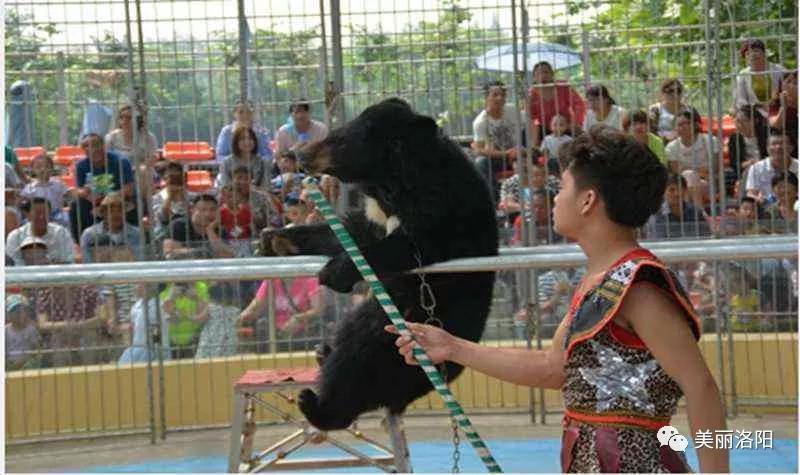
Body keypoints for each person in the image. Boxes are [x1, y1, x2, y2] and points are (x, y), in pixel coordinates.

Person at [387, 126, 728, 473]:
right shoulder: (599, 280)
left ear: (587, 200)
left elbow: (700, 386)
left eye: (562, 186)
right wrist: (453, 347)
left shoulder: (639, 288)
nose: (555, 196)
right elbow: (554, 368)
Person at [22, 236, 108, 367]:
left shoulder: (88, 290)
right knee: (57, 341)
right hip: (60, 337)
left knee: (88, 338)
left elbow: (103, 316)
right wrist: (66, 325)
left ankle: (90, 374)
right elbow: (42, 324)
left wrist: (80, 325)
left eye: (64, 266)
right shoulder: (45, 295)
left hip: (85, 334)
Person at [70, 133, 137, 241]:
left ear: (103, 145)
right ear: (84, 150)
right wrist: (85, 194)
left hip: (118, 198)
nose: (93, 149)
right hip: (94, 200)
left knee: (135, 201)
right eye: (87, 146)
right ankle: (80, 241)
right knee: (76, 205)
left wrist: (111, 197)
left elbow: (129, 188)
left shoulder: (121, 161)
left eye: (96, 145)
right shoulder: (81, 166)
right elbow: (79, 189)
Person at [238, 276, 325, 352]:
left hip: (303, 334)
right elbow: (256, 307)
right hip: (277, 334)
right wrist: (243, 317)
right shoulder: (271, 280)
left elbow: (318, 309)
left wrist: (299, 318)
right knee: (261, 326)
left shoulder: (309, 278)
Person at [471, 81, 524, 197]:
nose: (500, 98)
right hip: (500, 157)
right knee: (481, 162)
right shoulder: (480, 122)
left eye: (502, 95)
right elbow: (478, 149)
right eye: (495, 95)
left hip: (520, 153)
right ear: (486, 97)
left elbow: (532, 124)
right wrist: (505, 153)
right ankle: (495, 199)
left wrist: (532, 145)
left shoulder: (513, 110)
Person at [664, 110, 721, 209]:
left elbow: (714, 168)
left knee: (689, 175)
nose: (684, 127)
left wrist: (689, 170)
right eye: (680, 124)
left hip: (708, 183)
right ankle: (699, 211)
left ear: (695, 125)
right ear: (675, 128)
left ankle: (690, 212)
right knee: (689, 176)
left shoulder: (710, 141)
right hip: (682, 185)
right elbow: (677, 172)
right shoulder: (671, 147)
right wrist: (700, 170)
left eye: (687, 123)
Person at [527, 61, 586, 147]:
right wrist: (535, 141)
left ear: (552, 74)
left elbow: (578, 104)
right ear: (534, 78)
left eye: (546, 72)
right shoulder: (531, 94)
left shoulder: (562, 86)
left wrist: (575, 123)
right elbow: (531, 118)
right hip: (544, 129)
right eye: (538, 73)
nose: (543, 76)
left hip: (566, 126)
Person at [162, 193, 234, 260]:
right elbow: (169, 253)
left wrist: (210, 231)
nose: (207, 214)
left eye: (212, 210)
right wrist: (202, 252)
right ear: (192, 210)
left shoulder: (219, 229)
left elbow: (228, 256)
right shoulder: (178, 225)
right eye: (203, 210)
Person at [7, 197, 75, 266]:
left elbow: (69, 260)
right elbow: (13, 264)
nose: (41, 217)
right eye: (37, 213)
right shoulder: (15, 236)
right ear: (27, 215)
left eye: (45, 213)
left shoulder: (61, 233)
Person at [117, 283, 171, 364]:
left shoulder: (161, 306)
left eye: (139, 284)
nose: (135, 287)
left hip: (156, 351)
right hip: (137, 349)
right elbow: (133, 328)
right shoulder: (136, 306)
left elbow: (160, 330)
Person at [79, 192, 141, 263]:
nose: (116, 214)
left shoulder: (136, 233)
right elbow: (88, 263)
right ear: (103, 213)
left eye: (120, 210)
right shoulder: (89, 235)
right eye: (110, 211)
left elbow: (139, 261)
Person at [647, 174, 709, 239]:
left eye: (680, 189)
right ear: (663, 192)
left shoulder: (695, 211)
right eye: (671, 190)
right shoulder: (656, 214)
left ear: (685, 190)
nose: (677, 193)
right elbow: (659, 240)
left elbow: (705, 235)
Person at [745, 130, 799, 204]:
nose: (778, 147)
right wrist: (758, 199)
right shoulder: (756, 168)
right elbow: (751, 194)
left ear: (792, 147)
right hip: (767, 208)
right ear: (767, 148)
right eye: (773, 144)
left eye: (782, 143)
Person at [733, 39, 786, 113]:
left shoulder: (779, 70)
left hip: (779, 111)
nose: (752, 55)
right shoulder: (742, 75)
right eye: (748, 53)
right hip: (753, 114)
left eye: (755, 51)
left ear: (764, 53)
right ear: (745, 58)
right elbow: (741, 101)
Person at [20, 154, 70, 227]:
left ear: (52, 169)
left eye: (46, 167)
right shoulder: (30, 187)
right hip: (37, 215)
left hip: (56, 213)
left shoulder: (58, 184)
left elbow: (68, 197)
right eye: (38, 167)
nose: (42, 169)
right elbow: (24, 202)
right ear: (33, 170)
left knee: (66, 218)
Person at [151, 161, 196, 241]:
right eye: (171, 177)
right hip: (164, 235)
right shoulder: (156, 198)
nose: (175, 181)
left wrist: (183, 198)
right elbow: (163, 218)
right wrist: (170, 197)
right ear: (165, 179)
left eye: (178, 177)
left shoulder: (193, 197)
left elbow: (194, 218)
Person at [728, 105, 769, 182]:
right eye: (737, 121)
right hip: (747, 170)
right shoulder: (734, 138)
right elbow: (734, 163)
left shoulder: (766, 134)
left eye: (745, 121)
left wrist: (760, 163)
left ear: (755, 120)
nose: (740, 125)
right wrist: (749, 163)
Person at [6, 294, 41, 371]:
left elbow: (36, 349)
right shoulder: (5, 331)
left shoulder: (31, 330)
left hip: (27, 364)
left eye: (23, 311)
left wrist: (27, 362)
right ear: (8, 315)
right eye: (15, 312)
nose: (20, 314)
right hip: (10, 364)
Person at [768, 70, 798, 156]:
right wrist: (783, 107)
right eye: (788, 82)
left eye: (796, 83)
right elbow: (775, 126)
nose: (791, 85)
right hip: (784, 141)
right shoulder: (775, 102)